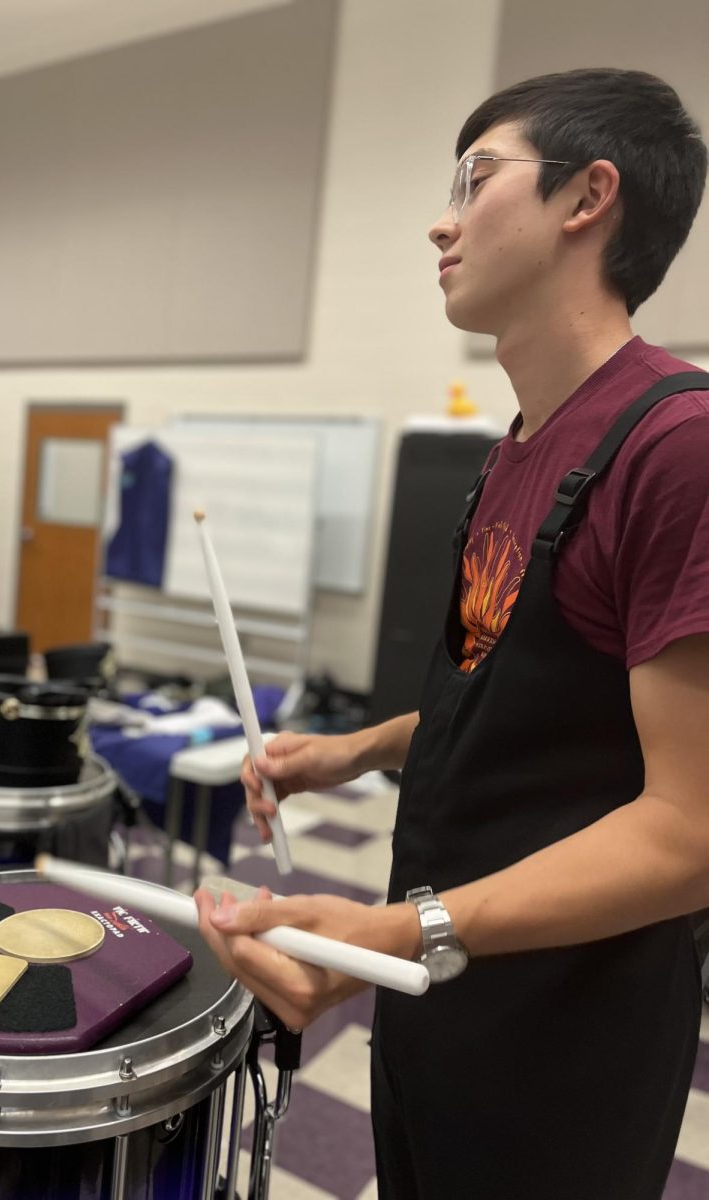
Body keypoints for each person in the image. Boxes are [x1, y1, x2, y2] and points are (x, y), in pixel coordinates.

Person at [194, 67, 709, 1199]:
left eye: (476, 179)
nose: (441, 217)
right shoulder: (518, 448)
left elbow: (689, 832)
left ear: (589, 198)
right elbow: (532, 701)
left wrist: (396, 933)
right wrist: (356, 750)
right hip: (446, 977)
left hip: (566, 1031)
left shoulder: (678, 446)